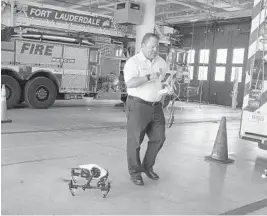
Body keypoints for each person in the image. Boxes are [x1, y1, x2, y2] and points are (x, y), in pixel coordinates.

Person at [123, 33, 168, 186]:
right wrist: (148, 77)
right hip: (138, 106)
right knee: (135, 141)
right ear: (142, 45)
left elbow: (163, 81)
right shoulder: (133, 62)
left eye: (157, 47)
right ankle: (135, 172)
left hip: (156, 107)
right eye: (151, 47)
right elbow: (130, 83)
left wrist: (167, 88)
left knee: (159, 138)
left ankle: (147, 167)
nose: (154, 49)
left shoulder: (161, 61)